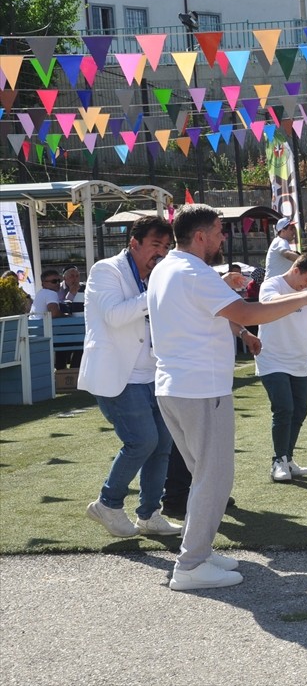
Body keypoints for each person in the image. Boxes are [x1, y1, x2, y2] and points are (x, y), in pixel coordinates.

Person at [148, 203, 307, 591]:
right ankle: (192, 563)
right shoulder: (193, 271)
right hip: (200, 388)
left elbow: (226, 313)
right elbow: (249, 314)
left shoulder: (168, 266)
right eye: (217, 231)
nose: (222, 237)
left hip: (175, 386)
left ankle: (198, 550)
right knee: (214, 478)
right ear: (200, 236)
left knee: (205, 476)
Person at [81, 215, 182, 539]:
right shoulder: (106, 270)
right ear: (134, 243)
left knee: (163, 444)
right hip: (119, 375)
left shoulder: (156, 276)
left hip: (154, 373)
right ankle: (107, 503)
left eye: (166, 247)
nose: (161, 253)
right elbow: (114, 316)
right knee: (142, 441)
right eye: (155, 245)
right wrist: (153, 291)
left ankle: (150, 514)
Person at [257, 253, 307, 482]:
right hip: (272, 357)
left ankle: (287, 458)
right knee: (284, 408)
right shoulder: (272, 284)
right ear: (295, 269)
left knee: (299, 410)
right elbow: (269, 303)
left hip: (299, 359)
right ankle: (278, 460)